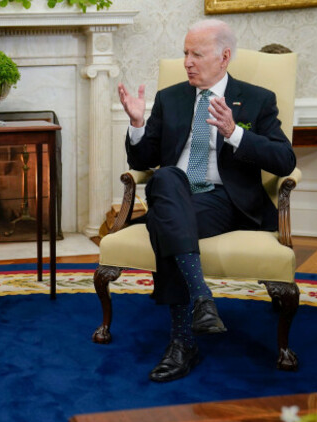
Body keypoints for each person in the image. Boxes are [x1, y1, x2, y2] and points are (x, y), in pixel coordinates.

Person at [117, 19, 296, 382]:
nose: (187, 62)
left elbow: (284, 160)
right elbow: (142, 162)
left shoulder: (257, 99)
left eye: (196, 54)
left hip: (225, 200)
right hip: (175, 194)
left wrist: (234, 134)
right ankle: (201, 299)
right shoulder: (171, 98)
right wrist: (137, 125)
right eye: (185, 53)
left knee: (165, 222)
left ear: (224, 57)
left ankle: (182, 342)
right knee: (167, 177)